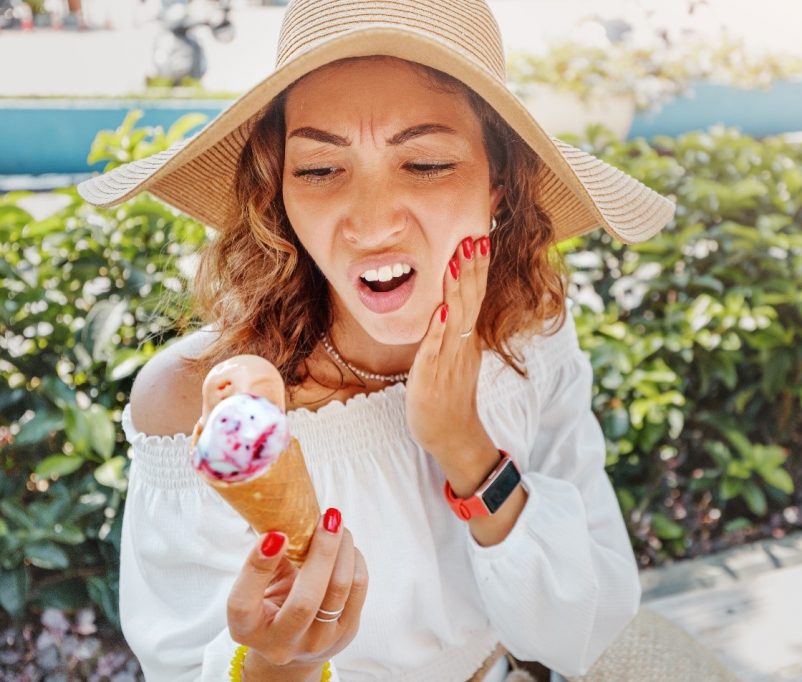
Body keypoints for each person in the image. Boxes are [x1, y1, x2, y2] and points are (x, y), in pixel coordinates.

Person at [77, 0, 676, 679]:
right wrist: (278, 661)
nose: (369, 224)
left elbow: (584, 627)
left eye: (423, 163)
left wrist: (468, 449)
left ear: (500, 184)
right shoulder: (196, 406)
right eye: (319, 169)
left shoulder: (529, 333)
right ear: (279, 192)